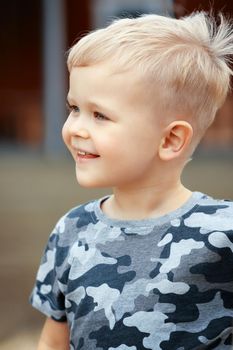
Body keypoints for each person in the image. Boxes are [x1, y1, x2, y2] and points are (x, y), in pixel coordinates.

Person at [30, 11, 233, 350]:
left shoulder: (223, 233)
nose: (76, 127)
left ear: (169, 140)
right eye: (74, 108)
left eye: (99, 115)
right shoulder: (70, 232)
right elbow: (53, 343)